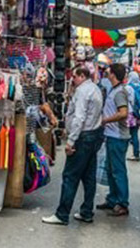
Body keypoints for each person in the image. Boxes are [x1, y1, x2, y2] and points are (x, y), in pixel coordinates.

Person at [42, 66, 104, 225]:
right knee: (88, 177)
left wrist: (71, 141)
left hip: (83, 137)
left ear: (82, 76)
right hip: (93, 135)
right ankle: (86, 212)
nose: (72, 80)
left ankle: (62, 214)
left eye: (74, 77)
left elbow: (79, 118)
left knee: (70, 176)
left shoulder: (83, 92)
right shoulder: (95, 89)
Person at [97, 63, 131, 216]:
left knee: (118, 170)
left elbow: (123, 113)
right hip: (112, 136)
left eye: (108, 71)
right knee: (111, 170)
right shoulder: (114, 90)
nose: (106, 73)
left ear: (113, 74)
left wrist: (106, 120)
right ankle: (113, 199)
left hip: (118, 137)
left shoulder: (119, 92)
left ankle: (122, 202)